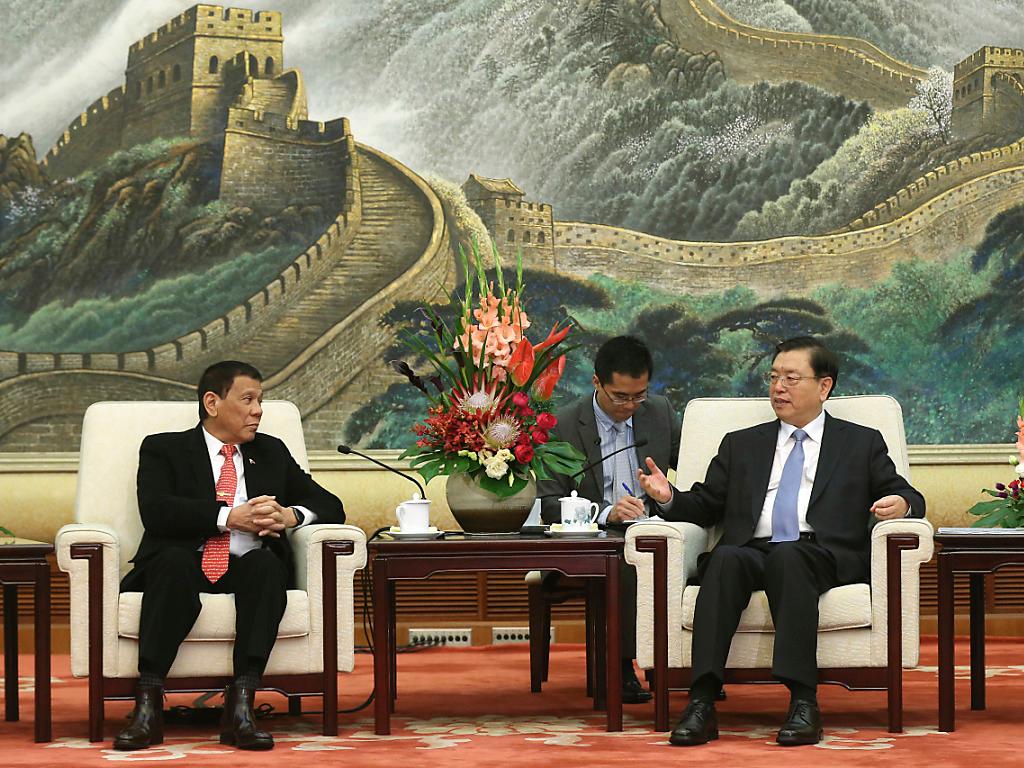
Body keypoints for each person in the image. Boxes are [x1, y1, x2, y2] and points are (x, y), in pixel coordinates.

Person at [636, 336, 925, 747]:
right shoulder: (742, 444)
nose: (778, 388)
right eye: (773, 377)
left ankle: (803, 702)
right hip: (754, 550)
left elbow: (907, 494)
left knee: (790, 558)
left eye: (791, 378)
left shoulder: (860, 442)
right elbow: (705, 504)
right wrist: (668, 497)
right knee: (725, 558)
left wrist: (902, 504)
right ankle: (701, 702)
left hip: (822, 553)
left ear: (824, 386)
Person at [113, 361, 344, 751]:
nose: (258, 410)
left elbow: (331, 505)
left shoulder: (270, 451)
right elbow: (156, 510)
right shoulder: (164, 449)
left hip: (246, 566)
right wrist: (227, 517)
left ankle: (241, 707)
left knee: (267, 565)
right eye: (248, 399)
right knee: (171, 564)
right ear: (212, 403)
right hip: (185, 561)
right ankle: (147, 706)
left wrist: (290, 515)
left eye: (260, 401)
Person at [537, 335, 681, 704]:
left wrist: (666, 497)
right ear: (597, 383)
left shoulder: (660, 413)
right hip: (593, 539)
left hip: (651, 528)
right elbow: (549, 503)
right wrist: (605, 512)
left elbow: (698, 470)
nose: (630, 406)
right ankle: (621, 666)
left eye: (638, 396)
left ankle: (686, 667)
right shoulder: (564, 424)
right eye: (620, 397)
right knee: (625, 561)